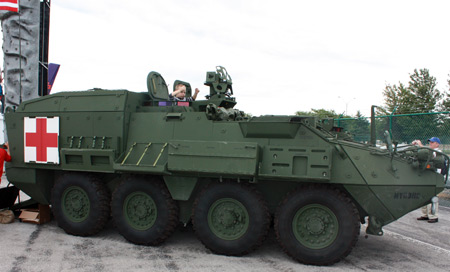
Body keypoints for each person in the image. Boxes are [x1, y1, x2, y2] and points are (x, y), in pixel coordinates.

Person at [412, 137, 441, 223]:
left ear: (437, 144)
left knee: (432, 197)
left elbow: (428, 154)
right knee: (424, 195)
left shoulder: (438, 152)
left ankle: (433, 216)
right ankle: (425, 214)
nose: (430, 144)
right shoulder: (429, 151)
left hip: (434, 177)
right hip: (426, 177)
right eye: (430, 142)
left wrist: (421, 145)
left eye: (432, 142)